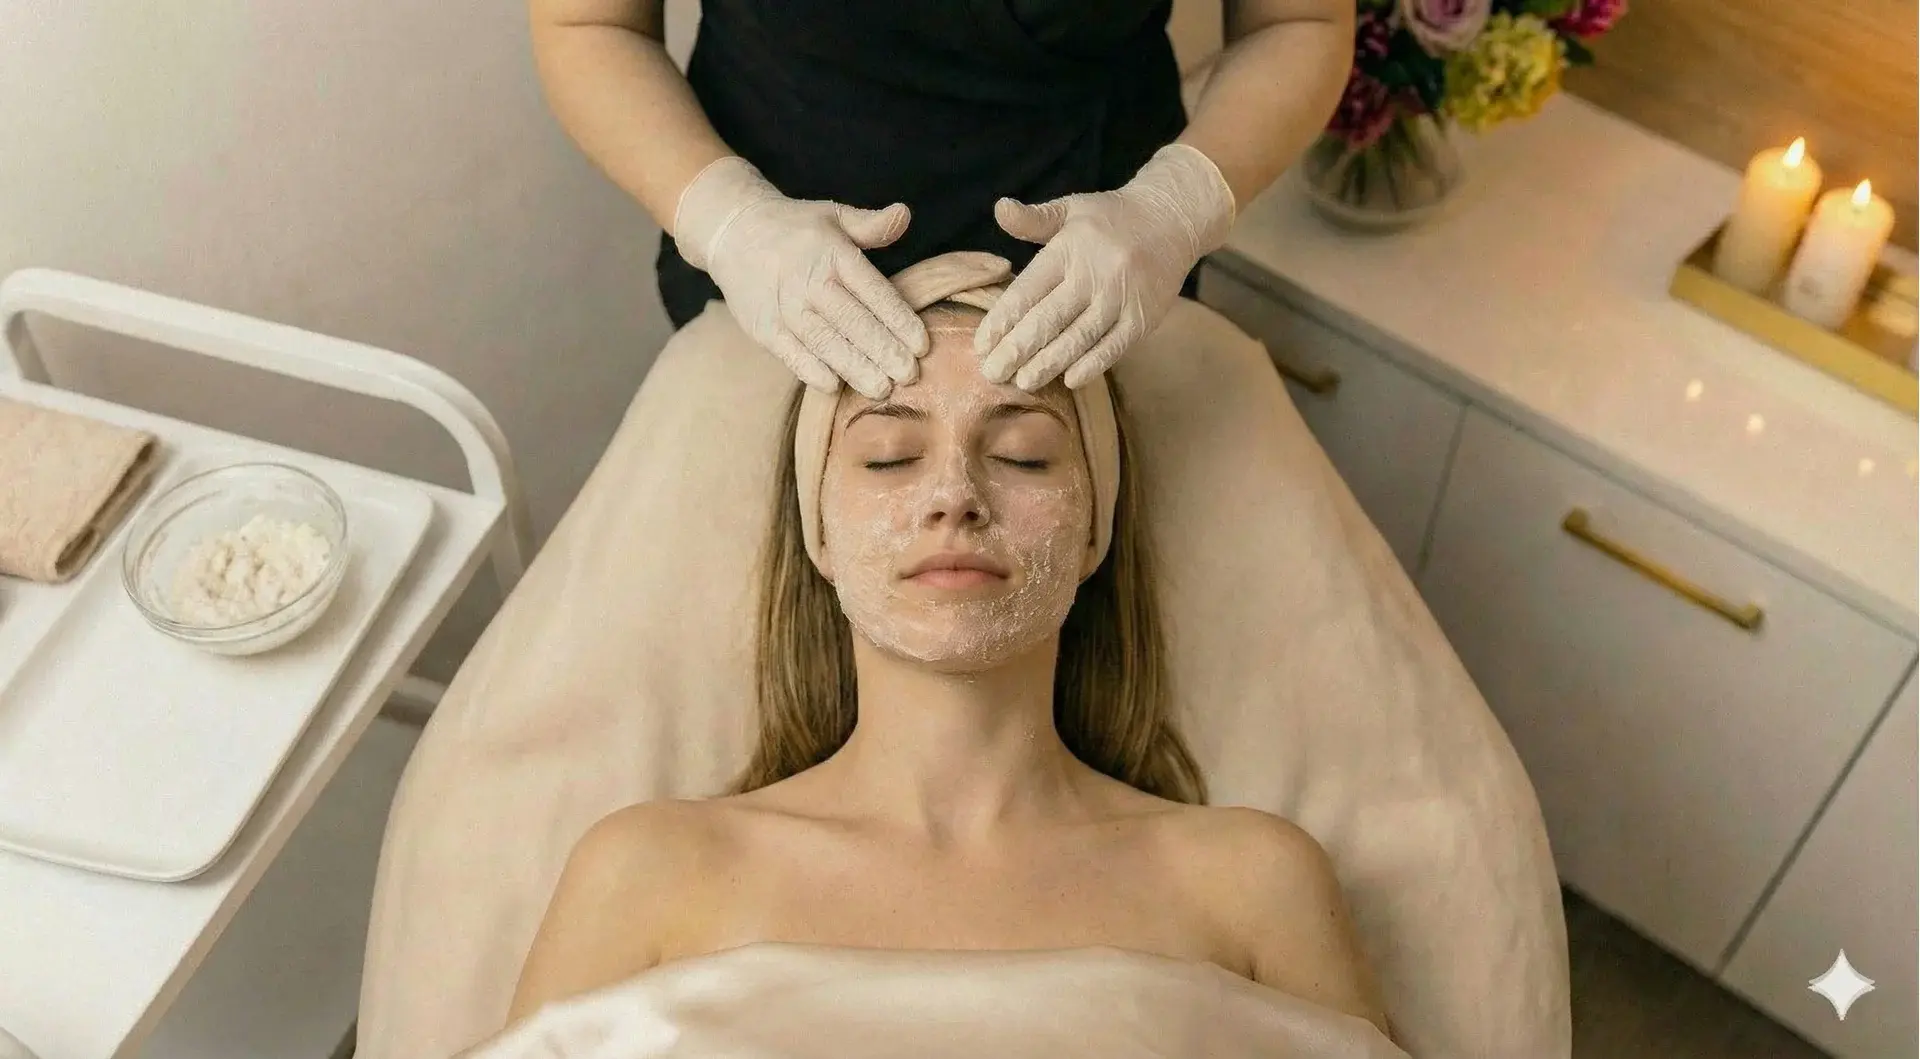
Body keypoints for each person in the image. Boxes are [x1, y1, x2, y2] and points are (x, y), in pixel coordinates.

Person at [475, 260, 1393, 1053]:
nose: (953, 494)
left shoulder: (1251, 881)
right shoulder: (649, 870)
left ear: (1094, 533)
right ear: (821, 537)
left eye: (1026, 454)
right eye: (887, 456)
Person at [527, 0, 1351, 400]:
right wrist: (731, 221)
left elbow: (1298, 21)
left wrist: (1176, 207)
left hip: (1095, 268)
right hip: (777, 277)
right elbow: (590, 27)